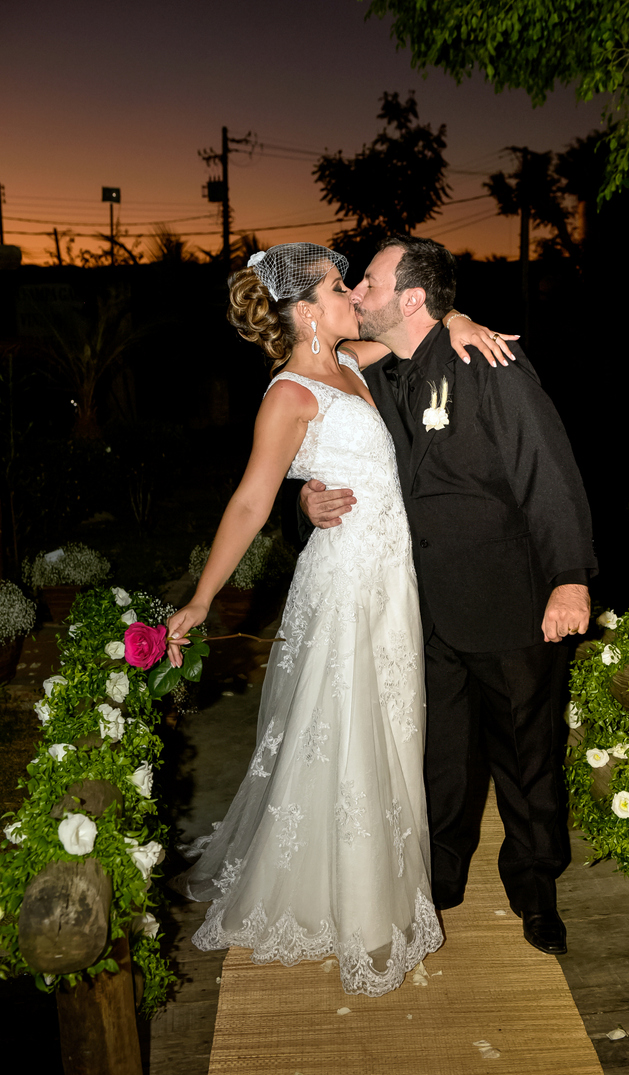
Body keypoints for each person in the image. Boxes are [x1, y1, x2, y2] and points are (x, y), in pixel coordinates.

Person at [166, 242, 516, 996]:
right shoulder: (288, 393)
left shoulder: (352, 362)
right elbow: (251, 500)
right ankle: (354, 906)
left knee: (391, 725)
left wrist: (454, 315)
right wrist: (202, 598)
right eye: (334, 287)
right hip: (346, 582)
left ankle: (376, 874)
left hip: (393, 580)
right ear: (302, 310)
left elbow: (406, 327)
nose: (350, 293)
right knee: (346, 727)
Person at [301, 236, 597, 956]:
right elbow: (332, 435)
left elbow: (546, 471)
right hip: (421, 606)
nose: (356, 293)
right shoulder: (379, 372)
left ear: (407, 298)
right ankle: (439, 877)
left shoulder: (487, 364)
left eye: (367, 282)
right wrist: (308, 498)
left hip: (508, 600)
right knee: (437, 755)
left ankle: (535, 889)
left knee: (527, 759)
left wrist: (569, 576)